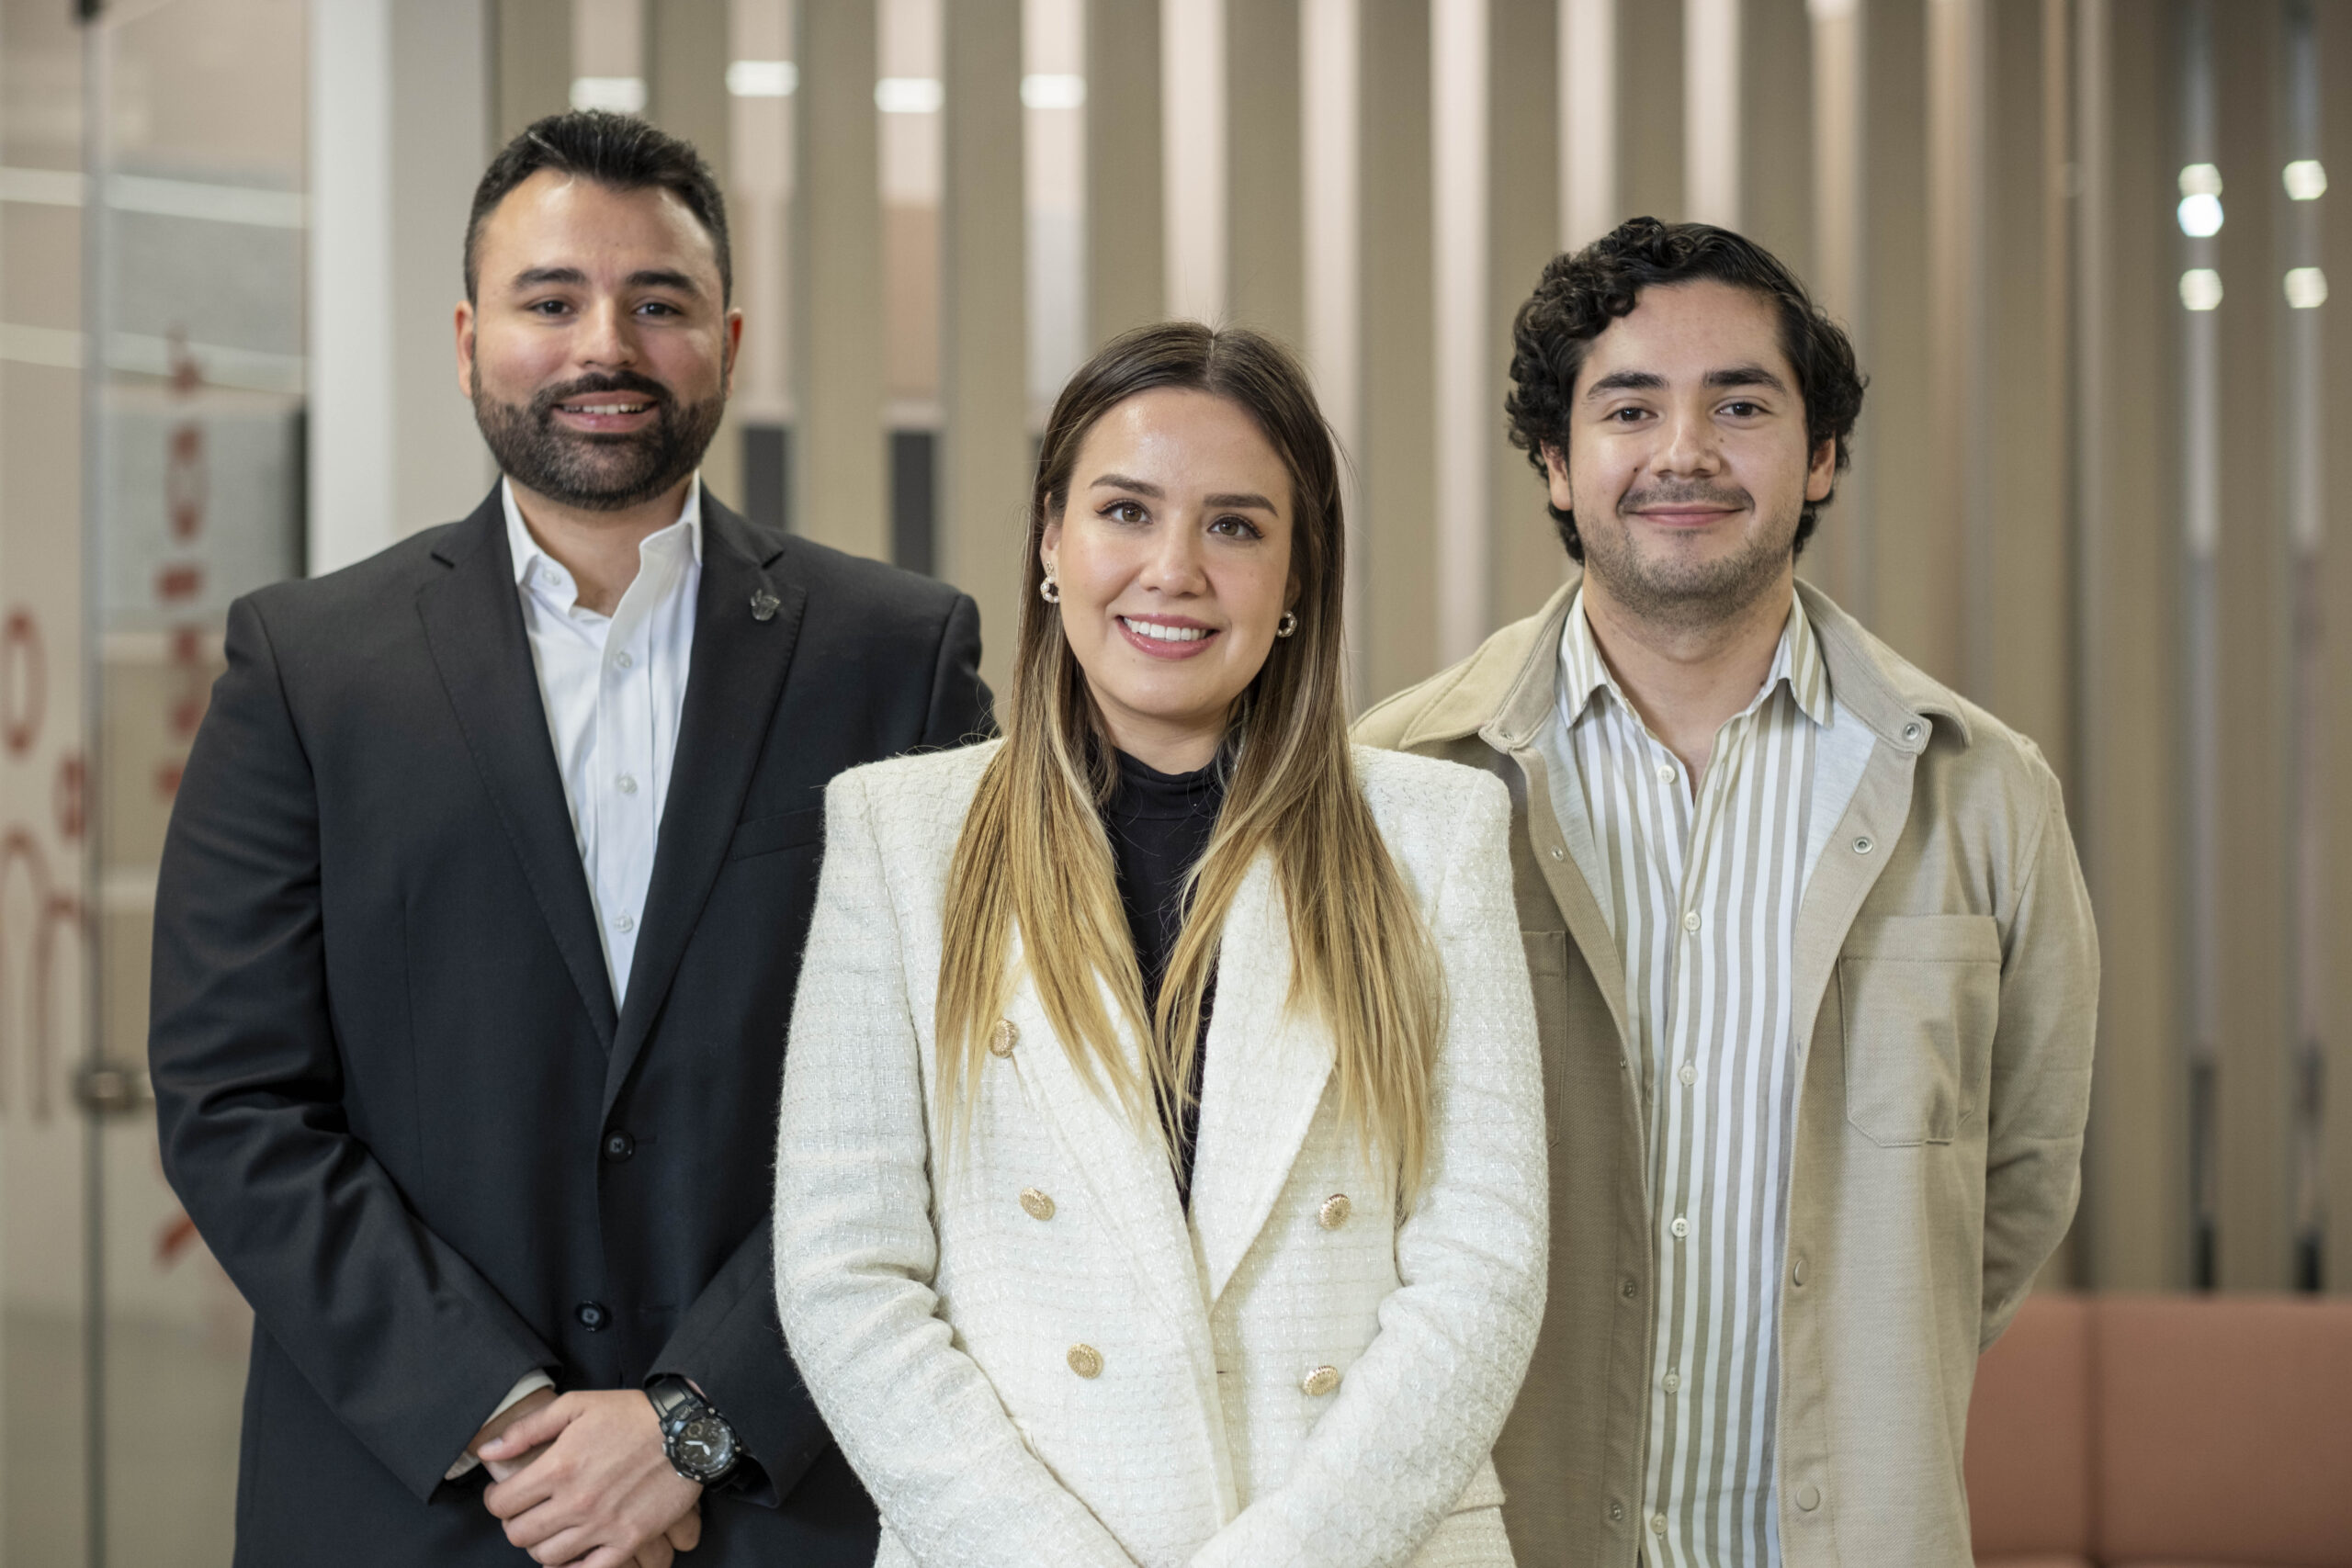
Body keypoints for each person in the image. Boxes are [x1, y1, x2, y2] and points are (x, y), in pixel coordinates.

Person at [148, 110, 988, 1568]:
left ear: (727, 340)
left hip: (774, 1506)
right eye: (551, 301)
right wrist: (505, 1417)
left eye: (658, 303)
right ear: (468, 337)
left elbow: (960, 1084)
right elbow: (233, 1099)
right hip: (412, 1501)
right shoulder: (306, 669)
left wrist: (693, 1425)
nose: (607, 345)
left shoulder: (896, 659)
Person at [1356, 218, 2098, 1568]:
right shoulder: (1401, 784)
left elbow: (2018, 1185)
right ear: (1556, 459)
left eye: (1740, 406)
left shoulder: (1983, 793)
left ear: (1820, 455)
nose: (1684, 451)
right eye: (1629, 408)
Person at [771, 321, 1548, 1567]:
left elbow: (1485, 1268)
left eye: (1235, 526)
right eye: (1125, 512)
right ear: (1051, 541)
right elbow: (846, 1274)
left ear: (1298, 579)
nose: (1173, 569)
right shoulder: (900, 836)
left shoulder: (1435, 834)